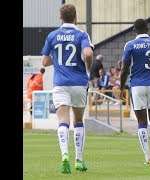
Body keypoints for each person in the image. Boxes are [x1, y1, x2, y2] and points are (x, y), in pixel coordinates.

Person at [41, 4, 93, 173]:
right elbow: (88, 53)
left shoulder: (53, 35)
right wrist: (87, 69)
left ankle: (64, 155)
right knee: (78, 120)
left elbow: (45, 61)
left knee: (63, 120)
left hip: (61, 84)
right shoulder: (81, 34)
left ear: (60, 17)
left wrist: (57, 57)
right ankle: (78, 160)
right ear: (75, 16)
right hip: (79, 82)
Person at [120, 18, 150, 165]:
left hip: (137, 85)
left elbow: (125, 69)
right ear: (148, 29)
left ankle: (147, 157)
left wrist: (121, 87)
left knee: (142, 122)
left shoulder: (130, 45)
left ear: (134, 30)